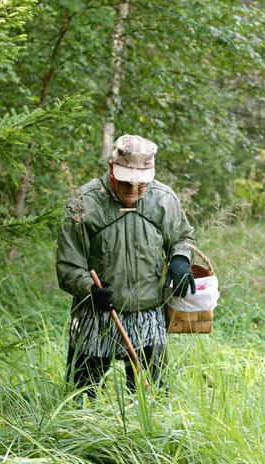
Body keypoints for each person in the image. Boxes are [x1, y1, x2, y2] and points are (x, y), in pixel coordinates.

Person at [56, 134, 196, 395]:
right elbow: (67, 264)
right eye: (125, 183)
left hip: (148, 315)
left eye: (141, 185)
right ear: (111, 168)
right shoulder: (83, 203)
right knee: (80, 398)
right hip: (95, 316)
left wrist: (180, 259)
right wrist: (89, 288)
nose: (132, 190)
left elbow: (183, 238)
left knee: (152, 399)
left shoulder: (164, 200)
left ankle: (144, 437)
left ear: (151, 174)